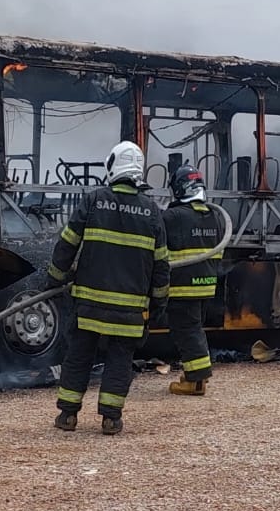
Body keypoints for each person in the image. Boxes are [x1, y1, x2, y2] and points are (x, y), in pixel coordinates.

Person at [45, 141, 168, 434]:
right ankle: (111, 418)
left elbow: (67, 243)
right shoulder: (152, 211)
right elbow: (162, 265)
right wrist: (158, 304)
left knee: (79, 355)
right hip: (129, 311)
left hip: (88, 304)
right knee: (120, 360)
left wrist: (55, 277)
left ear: (112, 166)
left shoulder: (94, 200)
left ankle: (68, 416)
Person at [162, 163, 224, 396]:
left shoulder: (174, 216)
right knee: (194, 329)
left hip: (181, 285)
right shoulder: (214, 216)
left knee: (186, 331)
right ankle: (196, 374)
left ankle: (196, 381)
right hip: (206, 284)